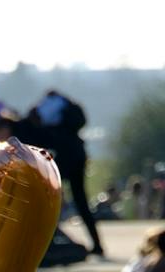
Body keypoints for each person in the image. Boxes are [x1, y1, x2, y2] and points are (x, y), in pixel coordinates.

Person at [20, 90, 103, 256]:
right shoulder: (64, 119)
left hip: (65, 160)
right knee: (81, 201)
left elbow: (43, 142)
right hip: (78, 158)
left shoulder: (47, 121)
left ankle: (48, 241)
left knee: (47, 198)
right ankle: (97, 244)